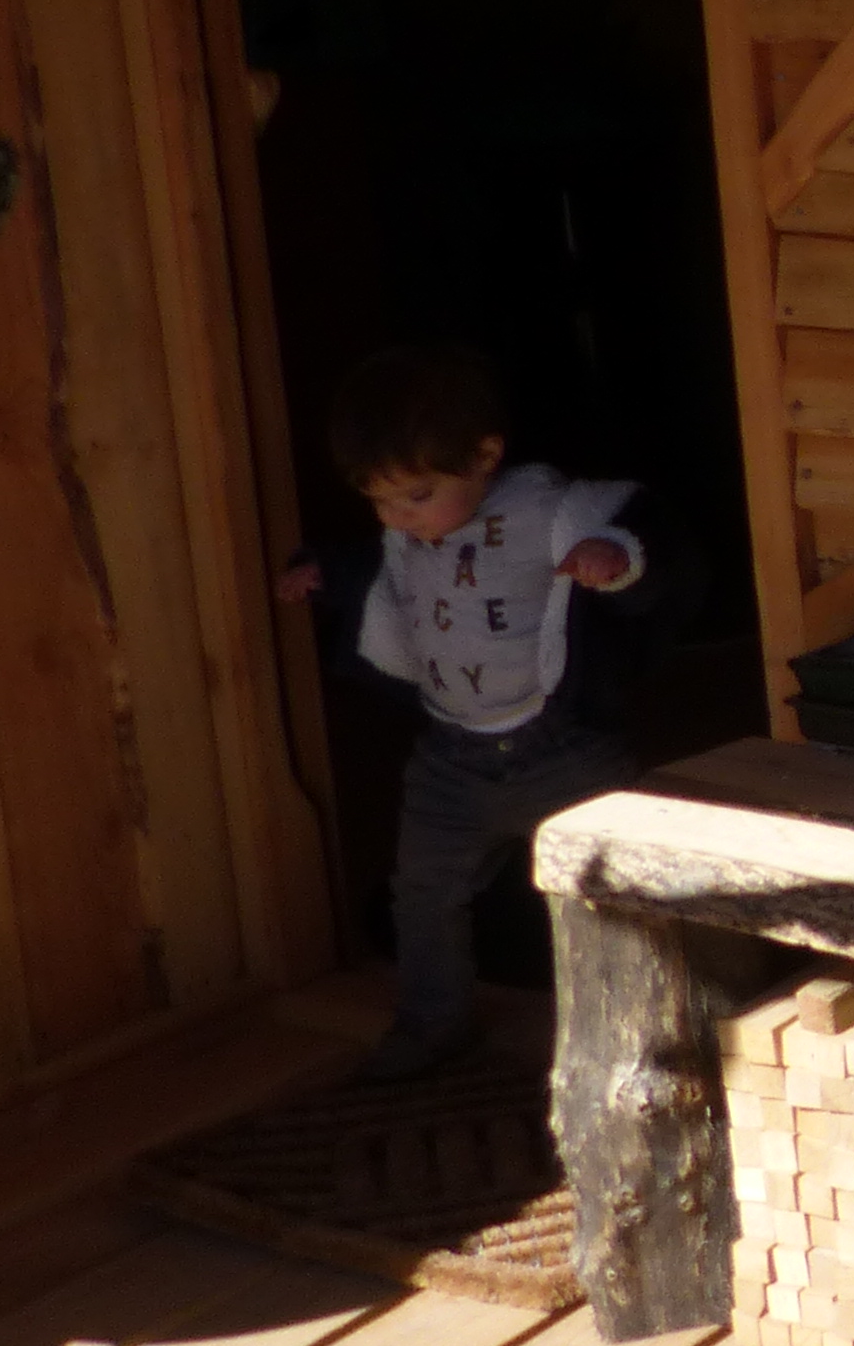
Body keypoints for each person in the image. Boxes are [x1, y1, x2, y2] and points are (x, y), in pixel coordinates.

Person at [279, 344, 694, 1081]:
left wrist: (615, 556)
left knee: (607, 892)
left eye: (416, 495)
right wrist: (324, 576)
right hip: (450, 756)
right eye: (380, 501)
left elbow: (645, 535)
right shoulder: (405, 538)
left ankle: (630, 1040)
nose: (401, 518)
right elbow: (378, 578)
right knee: (424, 893)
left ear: (483, 456)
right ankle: (433, 1022)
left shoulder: (547, 508)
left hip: (562, 749)